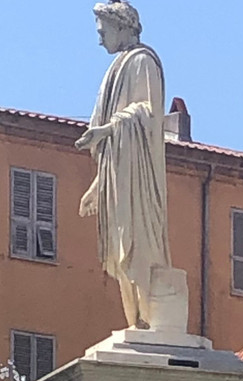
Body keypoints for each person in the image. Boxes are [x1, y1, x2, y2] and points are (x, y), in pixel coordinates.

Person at [76, 0, 171, 330]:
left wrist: (106, 129)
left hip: (138, 181)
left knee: (137, 248)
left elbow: (147, 112)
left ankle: (148, 322)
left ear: (122, 28)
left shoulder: (142, 61)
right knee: (119, 252)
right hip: (118, 176)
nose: (99, 39)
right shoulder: (116, 68)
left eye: (103, 32)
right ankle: (135, 323)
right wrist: (96, 186)